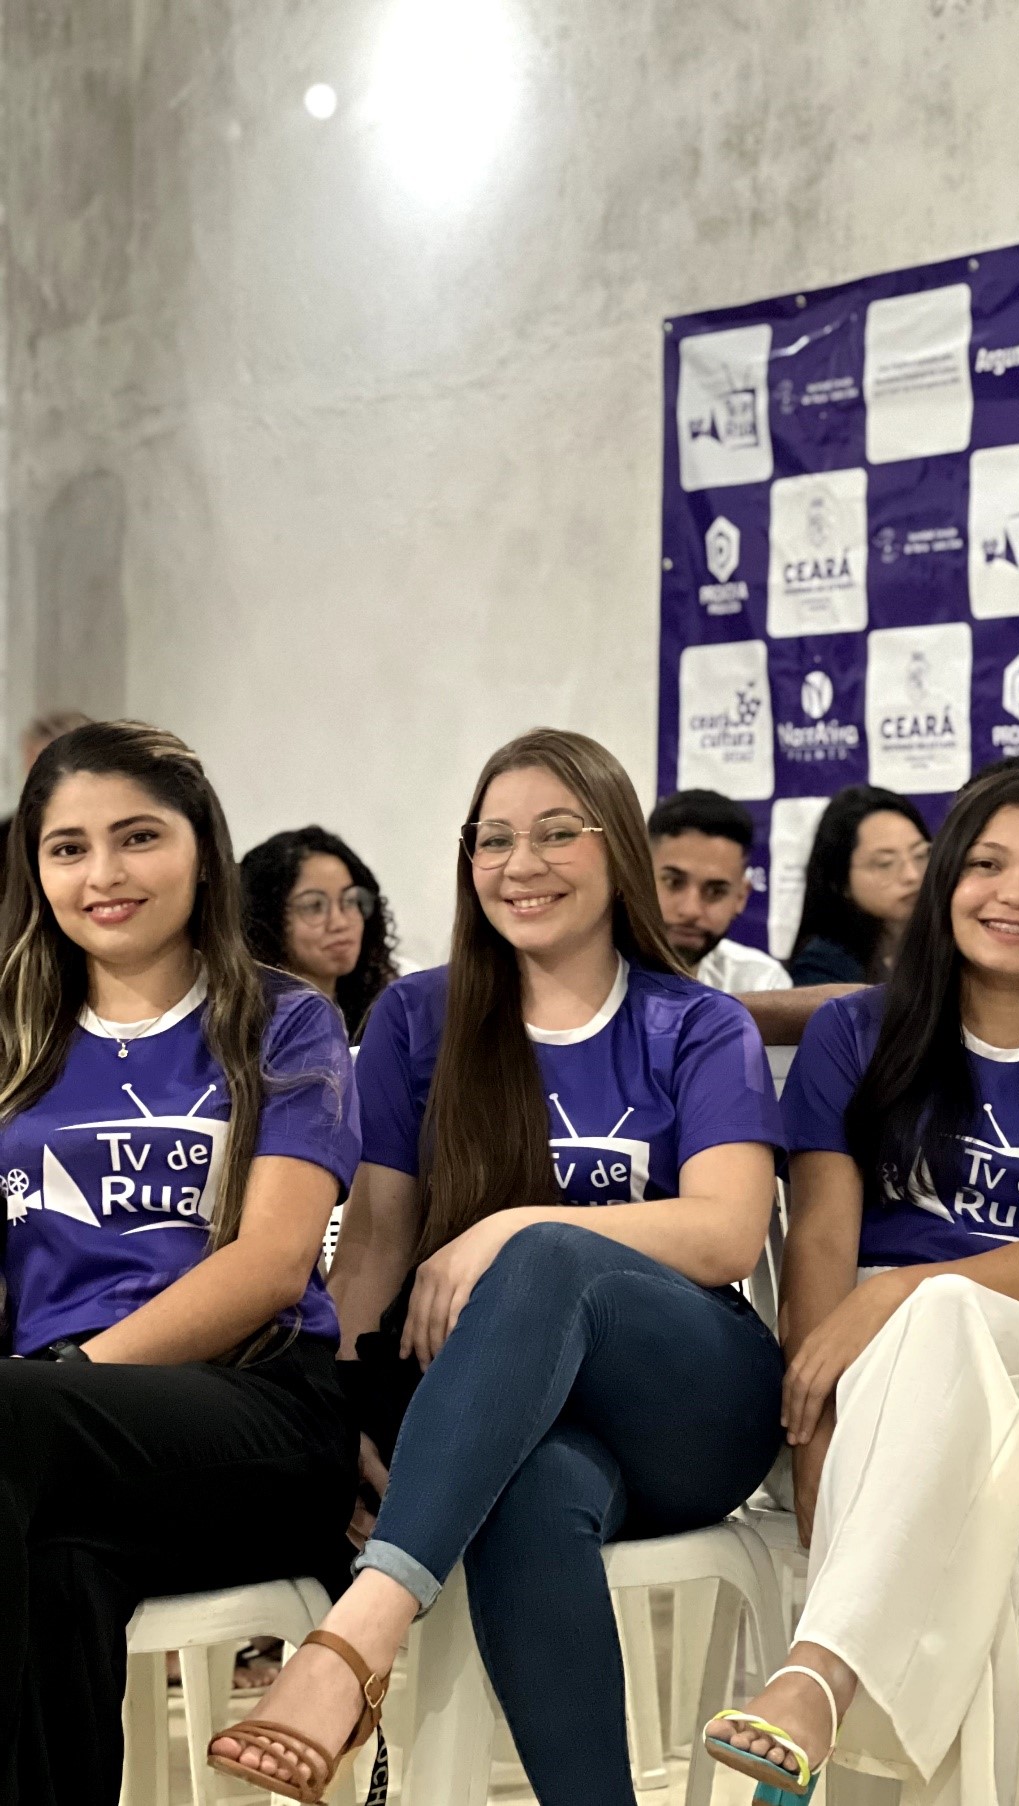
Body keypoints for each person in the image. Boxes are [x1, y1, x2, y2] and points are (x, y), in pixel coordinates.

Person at [208, 727, 785, 1806]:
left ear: (617, 850)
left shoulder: (695, 1023)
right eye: (493, 839)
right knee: (531, 1489)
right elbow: (373, 1247)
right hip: (509, 1417)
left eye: (557, 833)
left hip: (688, 1401)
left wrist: (507, 1227)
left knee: (548, 1252)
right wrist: (348, 1419)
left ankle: (357, 1636)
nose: (521, 864)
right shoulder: (416, 1018)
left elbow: (726, 1233)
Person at [705, 760, 1019, 1805]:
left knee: (943, 1313)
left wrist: (895, 1294)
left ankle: (816, 1668)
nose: (1017, 895)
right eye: (986, 864)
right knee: (936, 1393)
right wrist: (811, 1431)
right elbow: (819, 1244)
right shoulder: (855, 1035)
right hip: (861, 1371)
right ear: (944, 884)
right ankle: (825, 1707)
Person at [0, 720, 361, 1806]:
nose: (103, 874)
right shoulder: (13, 1039)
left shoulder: (285, 1022)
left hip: (253, 1412)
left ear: (202, 850)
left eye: (137, 837)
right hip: (45, 1445)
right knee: (52, 1568)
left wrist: (69, 1377)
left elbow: (273, 1264)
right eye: (68, 848)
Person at [240, 826, 399, 1043]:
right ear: (266, 920)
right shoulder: (250, 1030)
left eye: (350, 900)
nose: (339, 923)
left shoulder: (384, 1008)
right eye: (314, 906)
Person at [648, 788, 792, 992]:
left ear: (741, 897)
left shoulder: (762, 982)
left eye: (715, 892)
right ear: (637, 878)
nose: (691, 910)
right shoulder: (599, 977)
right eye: (673, 882)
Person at [788, 785, 931, 986]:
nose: (912, 875)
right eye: (885, 864)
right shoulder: (823, 966)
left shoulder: (948, 942)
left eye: (921, 855)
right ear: (841, 882)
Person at [0, 708, 93, 871]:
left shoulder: (114, 823)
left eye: (49, 769)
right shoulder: (6, 837)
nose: (36, 781)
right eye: (32, 768)